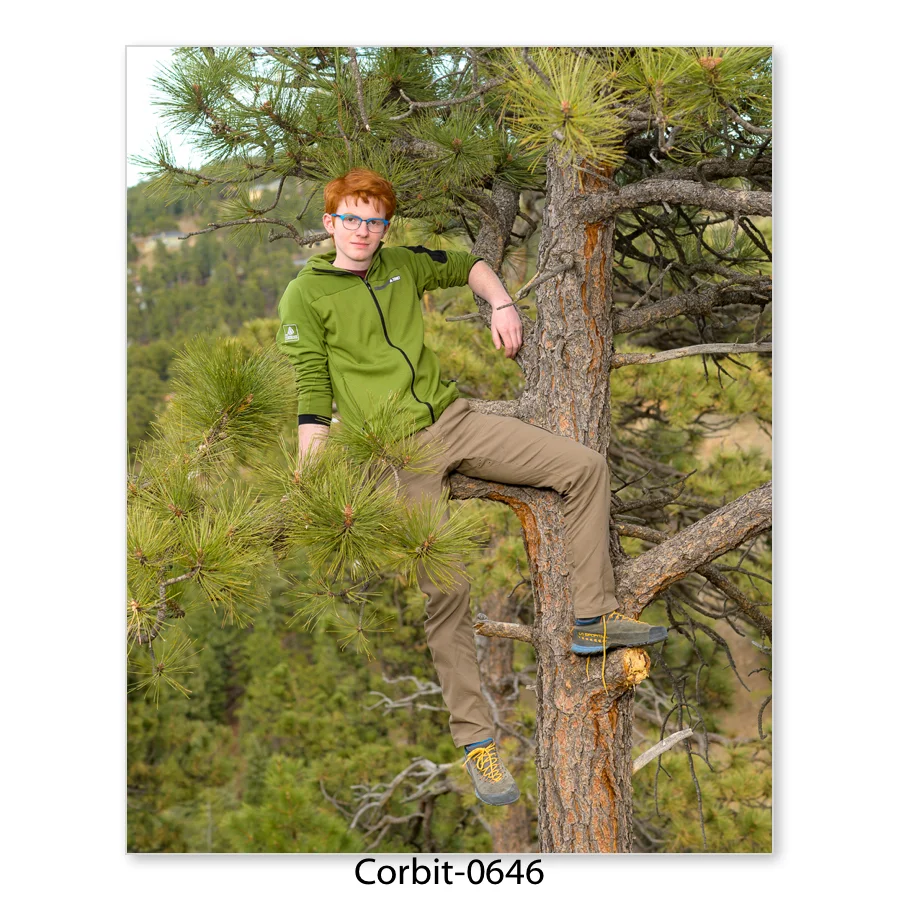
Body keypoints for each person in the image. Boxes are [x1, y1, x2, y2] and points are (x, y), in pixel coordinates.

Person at [276, 167, 667, 806]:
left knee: (585, 467)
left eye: (373, 220)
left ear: (385, 227)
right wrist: (311, 484)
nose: (362, 230)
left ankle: (593, 623)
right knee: (448, 591)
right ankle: (477, 743)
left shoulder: (402, 263)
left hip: (455, 422)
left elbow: (469, 265)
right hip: (396, 453)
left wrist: (502, 302)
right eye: (350, 218)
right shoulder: (305, 294)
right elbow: (313, 394)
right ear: (329, 222)